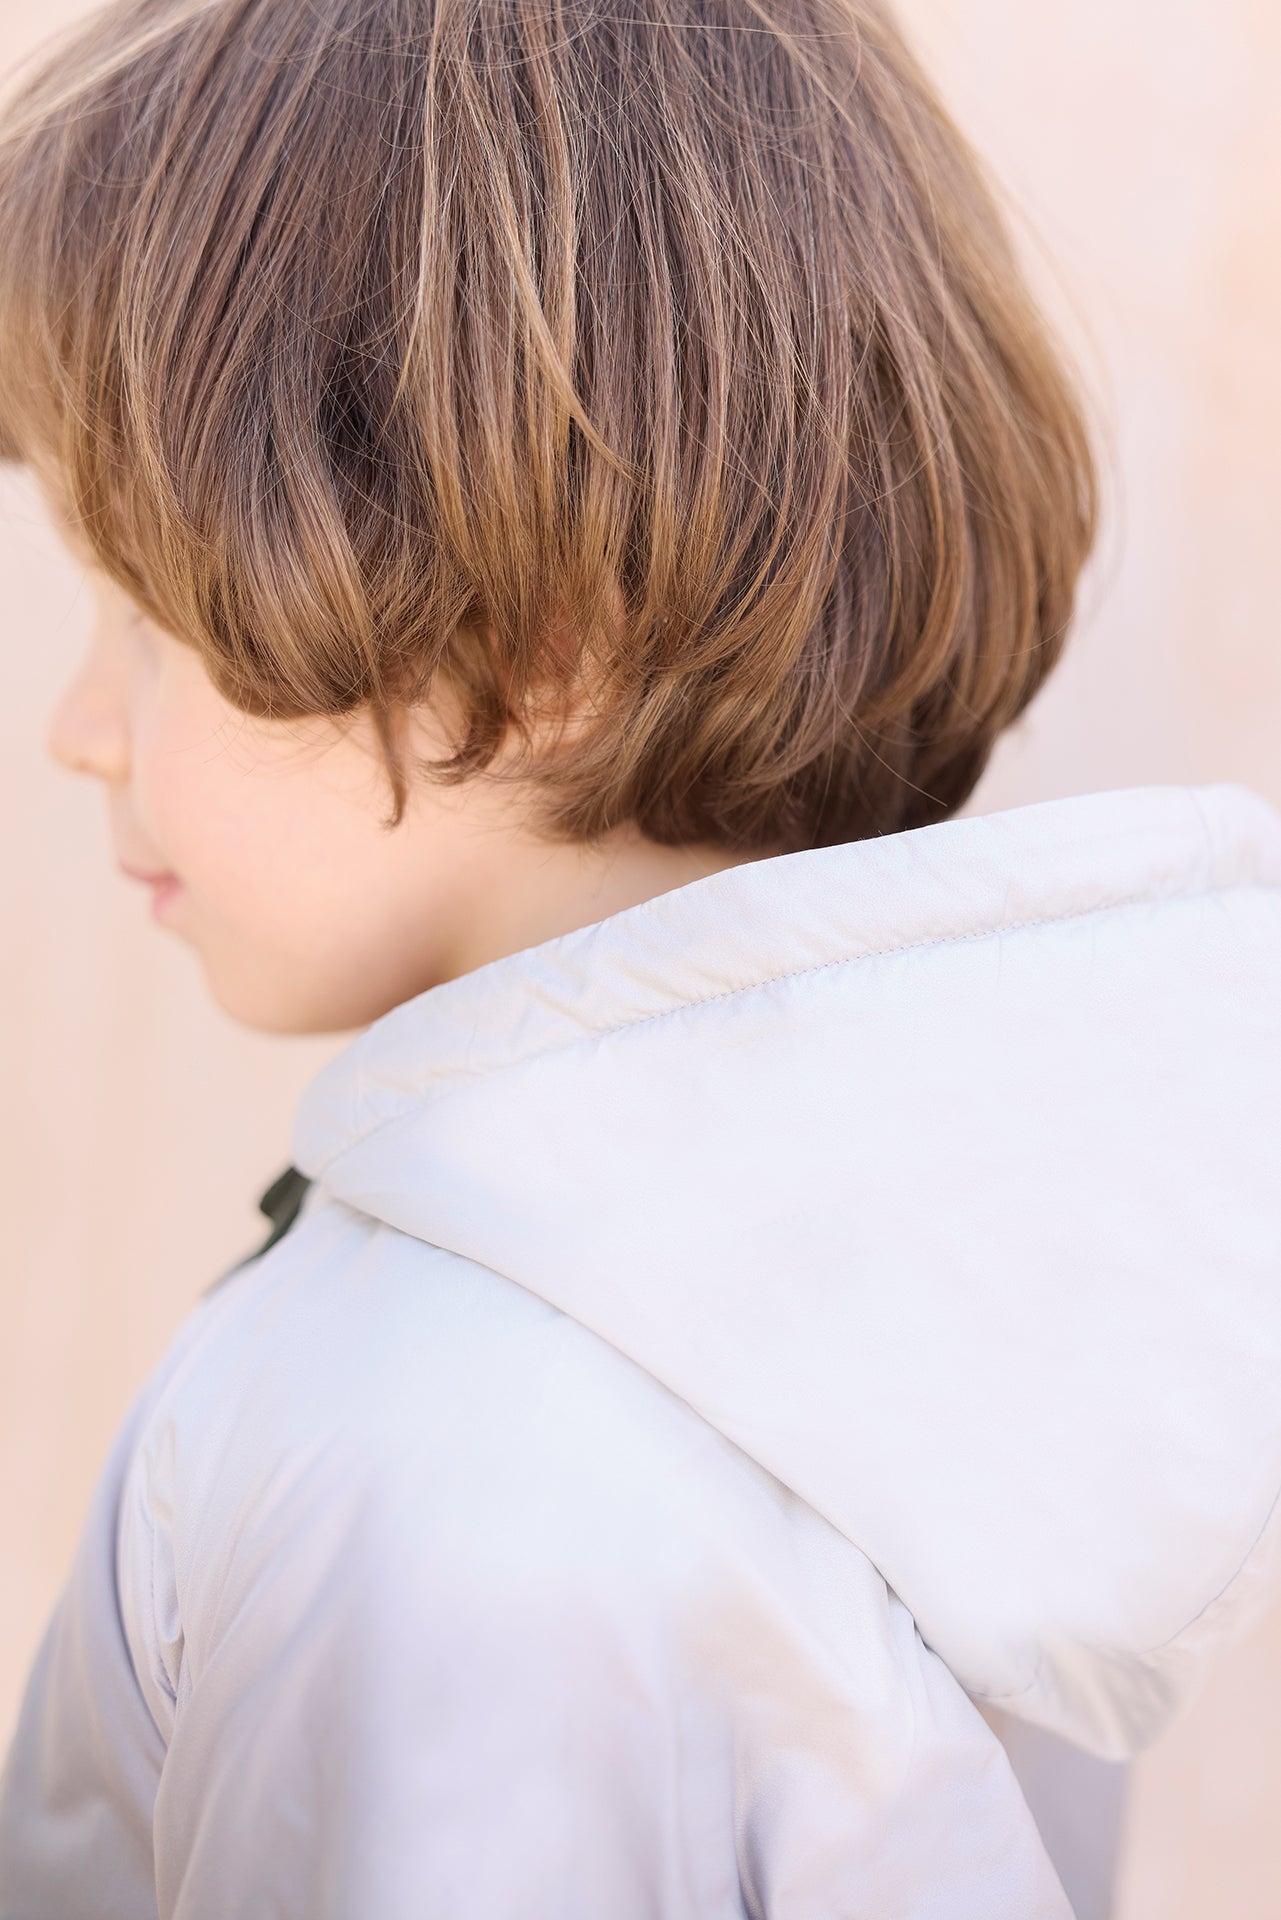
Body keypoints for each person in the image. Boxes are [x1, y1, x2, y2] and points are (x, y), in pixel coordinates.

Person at [0, 0, 1279, 1913]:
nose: (78, 729)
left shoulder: (444, 1460)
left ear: (526, 642)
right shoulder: (960, 1326)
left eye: (142, 615)